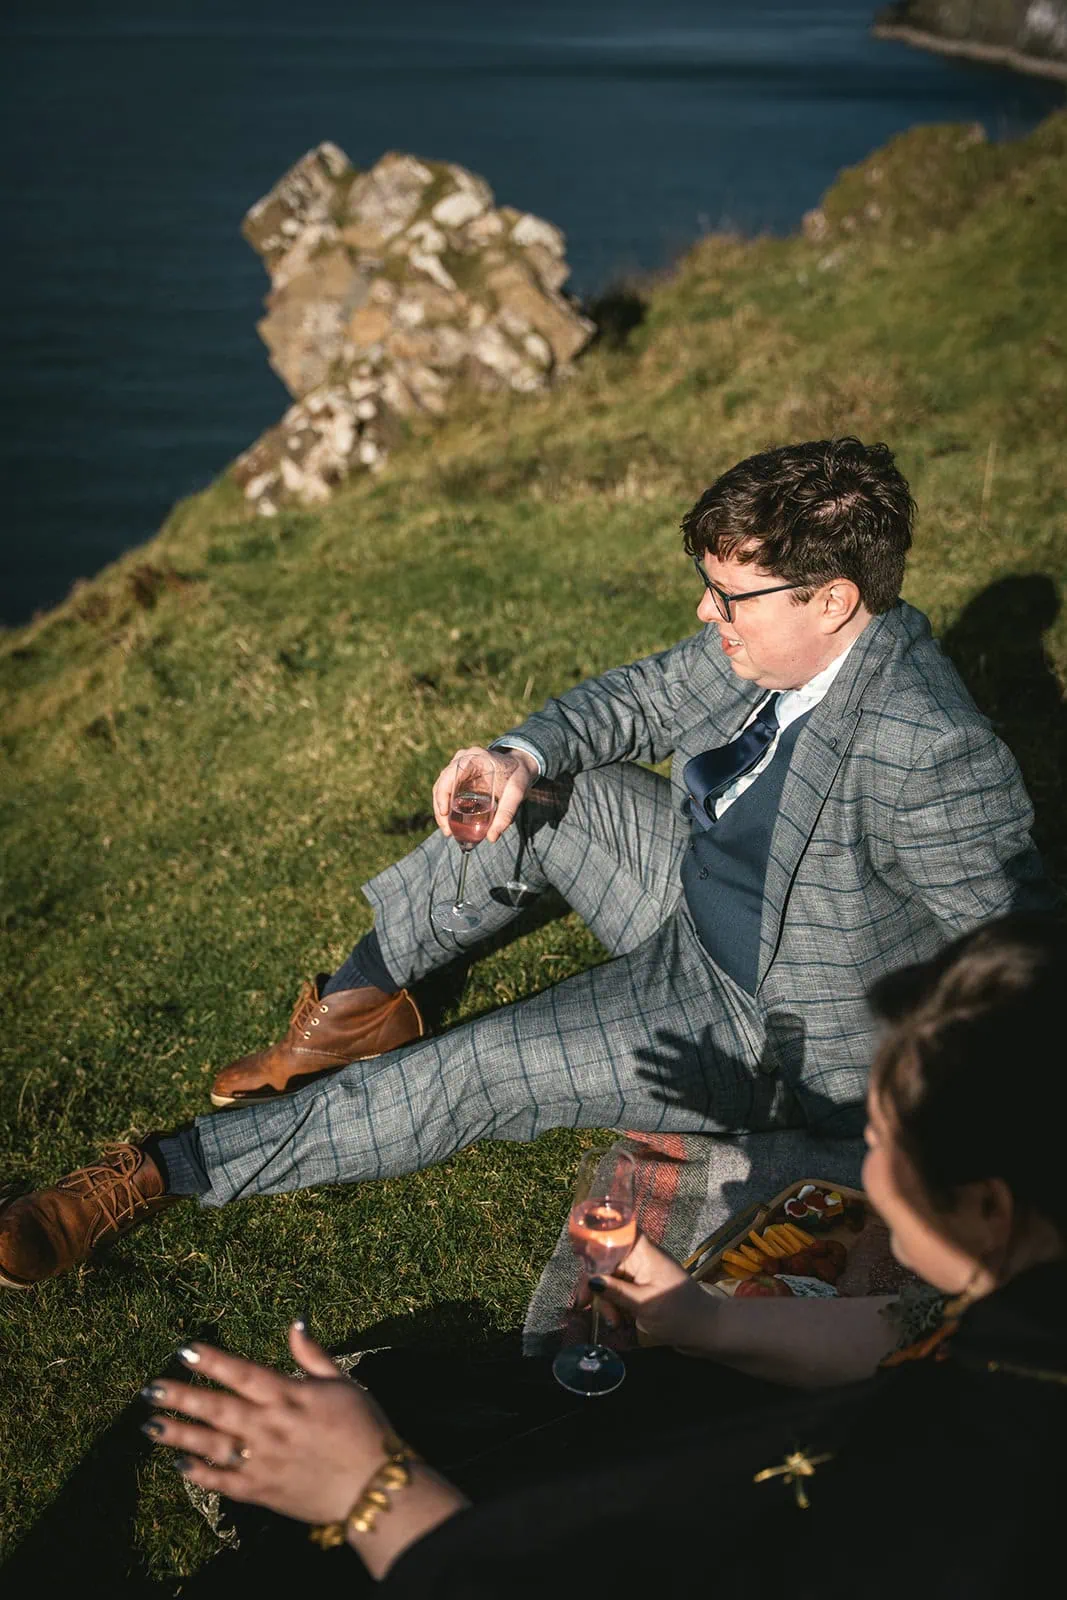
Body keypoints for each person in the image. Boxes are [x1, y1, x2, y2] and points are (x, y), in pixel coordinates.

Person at [0, 437, 1056, 1288]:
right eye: (705, 585)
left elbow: (1016, 955)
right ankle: (355, 1006)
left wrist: (902, 1123)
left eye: (726, 597)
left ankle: (160, 1171)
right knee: (543, 795)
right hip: (689, 892)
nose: (704, 612)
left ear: (829, 598)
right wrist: (519, 754)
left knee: (480, 1066)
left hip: (753, 1020)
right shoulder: (778, 639)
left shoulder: (929, 746)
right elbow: (644, 696)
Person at [136, 914, 1067, 1596]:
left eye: (882, 1139)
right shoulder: (1027, 1318)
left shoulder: (969, 1493)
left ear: (986, 1207)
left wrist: (374, 1494)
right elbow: (908, 1329)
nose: (862, 1164)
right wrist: (700, 1319)